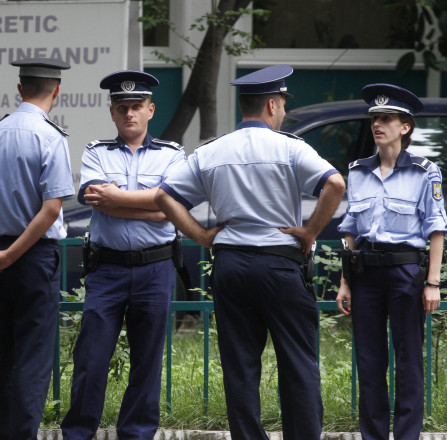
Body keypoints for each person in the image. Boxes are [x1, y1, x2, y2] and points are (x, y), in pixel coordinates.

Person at [155, 65, 346, 440]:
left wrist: (203, 236)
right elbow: (335, 183)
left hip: (230, 267)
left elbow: (164, 195)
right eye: (283, 105)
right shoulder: (290, 147)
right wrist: (310, 231)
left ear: (245, 106)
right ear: (272, 105)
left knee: (240, 368)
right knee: (298, 363)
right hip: (280, 267)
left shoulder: (212, 151)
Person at [59, 70, 216, 440]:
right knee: (91, 360)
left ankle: (137, 434)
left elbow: (172, 206)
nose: (129, 113)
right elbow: (97, 198)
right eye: (122, 107)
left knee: (147, 363)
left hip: (156, 268)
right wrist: (158, 205)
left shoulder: (172, 154)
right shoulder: (97, 152)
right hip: (106, 270)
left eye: (137, 107)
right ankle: (78, 434)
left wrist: (120, 200)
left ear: (150, 110)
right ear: (112, 113)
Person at [0, 57, 74, 440]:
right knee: (33, 358)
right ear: (56, 91)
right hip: (34, 258)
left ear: (19, 89)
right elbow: (52, 209)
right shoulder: (50, 137)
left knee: (1, 353)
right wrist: (11, 256)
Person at [336, 84, 447, 440]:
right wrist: (345, 281)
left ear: (406, 127)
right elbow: (350, 230)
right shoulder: (357, 170)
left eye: (386, 119)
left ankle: (406, 435)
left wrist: (432, 282)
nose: (377, 125)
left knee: (409, 360)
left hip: (405, 274)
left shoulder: (424, 172)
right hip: (365, 272)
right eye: (374, 119)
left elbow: (436, 230)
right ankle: (373, 435)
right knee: (369, 363)